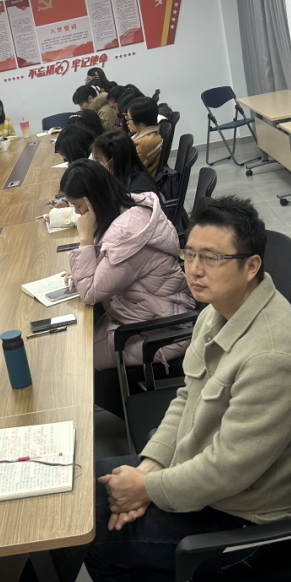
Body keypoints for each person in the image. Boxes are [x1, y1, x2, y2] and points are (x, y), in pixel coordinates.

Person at [0, 196, 291, 582]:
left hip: (243, 527)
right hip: (204, 483)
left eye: (211, 258)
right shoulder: (218, 313)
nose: (194, 269)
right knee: (73, 487)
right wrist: (149, 466)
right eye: (189, 254)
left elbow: (228, 470)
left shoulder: (273, 356)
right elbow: (186, 398)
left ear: (251, 266)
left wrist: (148, 488)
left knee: (94, 535)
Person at [55, 159, 194, 415]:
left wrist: (85, 240)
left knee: (78, 360)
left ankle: (144, 417)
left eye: (77, 206)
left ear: (91, 200)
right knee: (79, 339)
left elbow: (91, 293)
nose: (77, 214)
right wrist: (88, 267)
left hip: (160, 329)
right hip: (145, 311)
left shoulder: (128, 237)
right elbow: (111, 265)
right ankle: (137, 404)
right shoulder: (127, 210)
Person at [92, 129, 159, 196]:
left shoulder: (138, 193)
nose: (96, 164)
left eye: (98, 160)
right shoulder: (122, 177)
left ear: (114, 160)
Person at [126, 96, 163, 177]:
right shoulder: (150, 134)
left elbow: (128, 171)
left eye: (129, 118)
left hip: (139, 181)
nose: (127, 122)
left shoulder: (145, 143)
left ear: (141, 122)